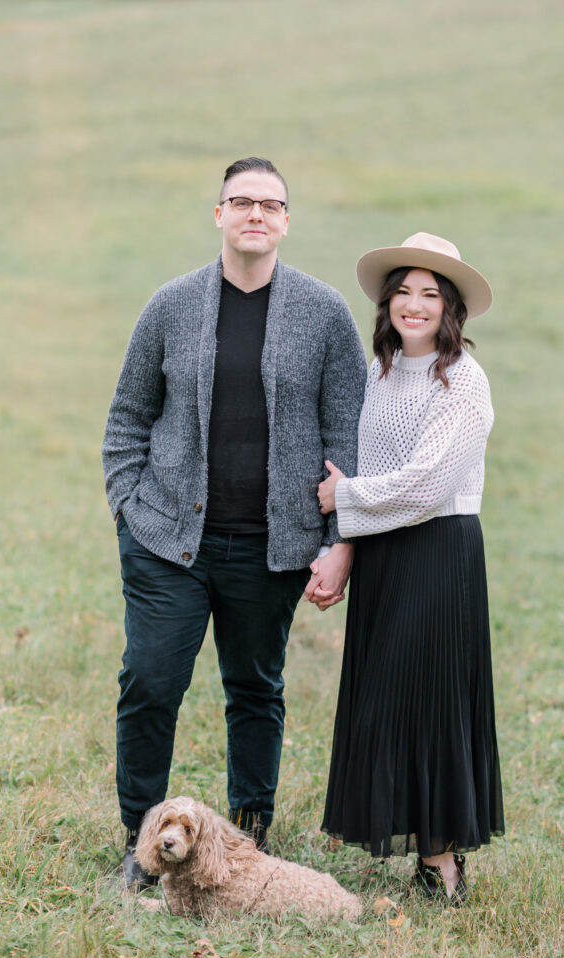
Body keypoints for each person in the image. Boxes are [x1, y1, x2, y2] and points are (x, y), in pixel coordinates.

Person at [102, 157, 366, 889]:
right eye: (241, 202)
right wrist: (128, 504)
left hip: (270, 548)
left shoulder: (323, 314)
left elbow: (348, 435)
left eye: (270, 205)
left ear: (286, 221)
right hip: (166, 542)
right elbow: (127, 417)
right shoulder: (171, 305)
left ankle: (248, 841)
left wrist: (338, 541)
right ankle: (141, 843)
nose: (256, 214)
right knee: (150, 680)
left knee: (255, 688)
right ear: (218, 214)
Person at [317, 232, 504, 904]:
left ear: (450, 308)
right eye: (404, 291)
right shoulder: (377, 370)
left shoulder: (466, 382)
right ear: (388, 302)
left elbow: (426, 485)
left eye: (431, 294)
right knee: (385, 702)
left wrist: (347, 498)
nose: (415, 304)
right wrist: (342, 543)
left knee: (429, 701)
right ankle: (422, 850)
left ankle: (443, 862)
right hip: (385, 554)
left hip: (438, 550)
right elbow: (360, 461)